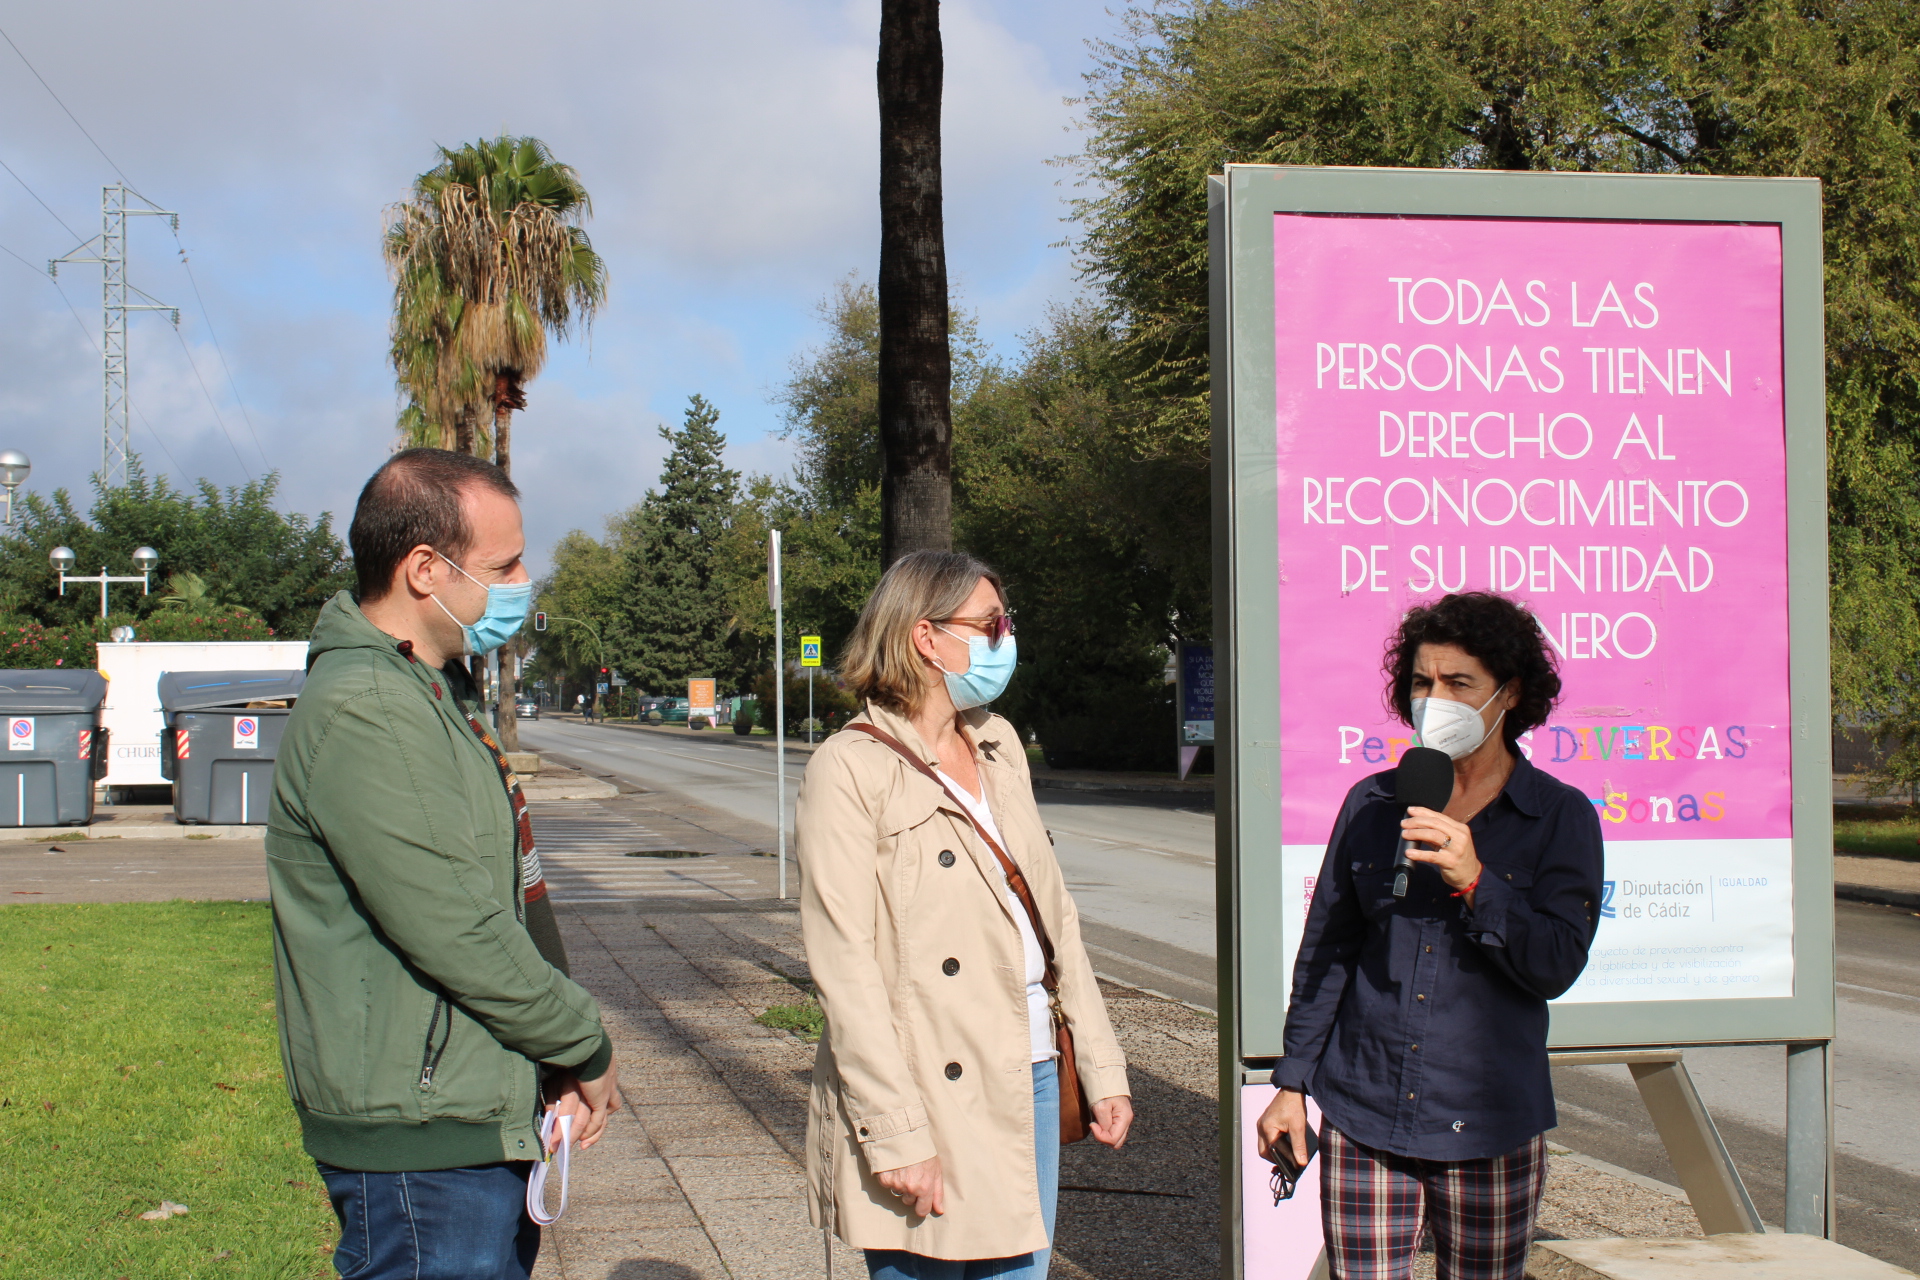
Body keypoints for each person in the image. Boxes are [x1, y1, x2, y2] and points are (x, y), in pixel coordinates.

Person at [267, 449, 622, 1280]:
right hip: (420, 1142)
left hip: (465, 1114)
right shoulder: (371, 711)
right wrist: (582, 1040)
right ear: (425, 569)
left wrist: (547, 1064)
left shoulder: (437, 690)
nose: (524, 579)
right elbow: (457, 928)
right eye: (503, 565)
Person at [797, 551, 1135, 1279]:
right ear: (926, 637)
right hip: (925, 1085)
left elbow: (1056, 920)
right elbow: (845, 970)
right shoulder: (849, 769)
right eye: (989, 624)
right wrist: (896, 1133)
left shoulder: (999, 742)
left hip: (1031, 1070)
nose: (1003, 638)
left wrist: (1103, 1069)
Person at [1257, 591, 1604, 1280]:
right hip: (1364, 1113)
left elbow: (1556, 964)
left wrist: (1479, 880)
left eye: (1458, 683)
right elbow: (1328, 950)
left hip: (1488, 1121)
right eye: (1421, 682)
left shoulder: (1558, 818)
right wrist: (1291, 1083)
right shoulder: (1373, 803)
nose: (1434, 698)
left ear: (1509, 695)